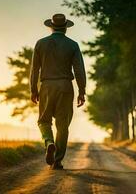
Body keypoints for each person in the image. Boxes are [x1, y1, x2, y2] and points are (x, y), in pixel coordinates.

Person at [30, 13, 86, 170]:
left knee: (43, 121)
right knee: (62, 126)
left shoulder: (40, 44)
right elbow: (79, 70)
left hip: (47, 86)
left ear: (51, 27)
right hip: (66, 87)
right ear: (66, 28)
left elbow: (35, 69)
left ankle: (49, 142)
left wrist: (33, 90)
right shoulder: (73, 45)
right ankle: (57, 160)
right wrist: (82, 91)